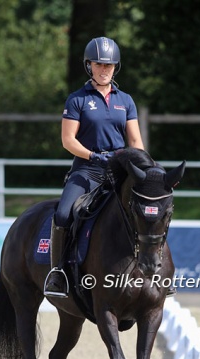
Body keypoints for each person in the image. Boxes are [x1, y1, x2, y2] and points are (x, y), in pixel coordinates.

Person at [44, 36, 144, 297]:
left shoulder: (126, 101)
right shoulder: (77, 99)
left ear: (115, 67)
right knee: (64, 214)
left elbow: (135, 141)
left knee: (149, 208)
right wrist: (94, 156)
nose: (104, 70)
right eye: (99, 64)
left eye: (109, 65)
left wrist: (145, 169)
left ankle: (155, 272)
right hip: (87, 169)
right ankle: (58, 273)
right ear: (89, 66)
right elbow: (68, 140)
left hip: (120, 170)